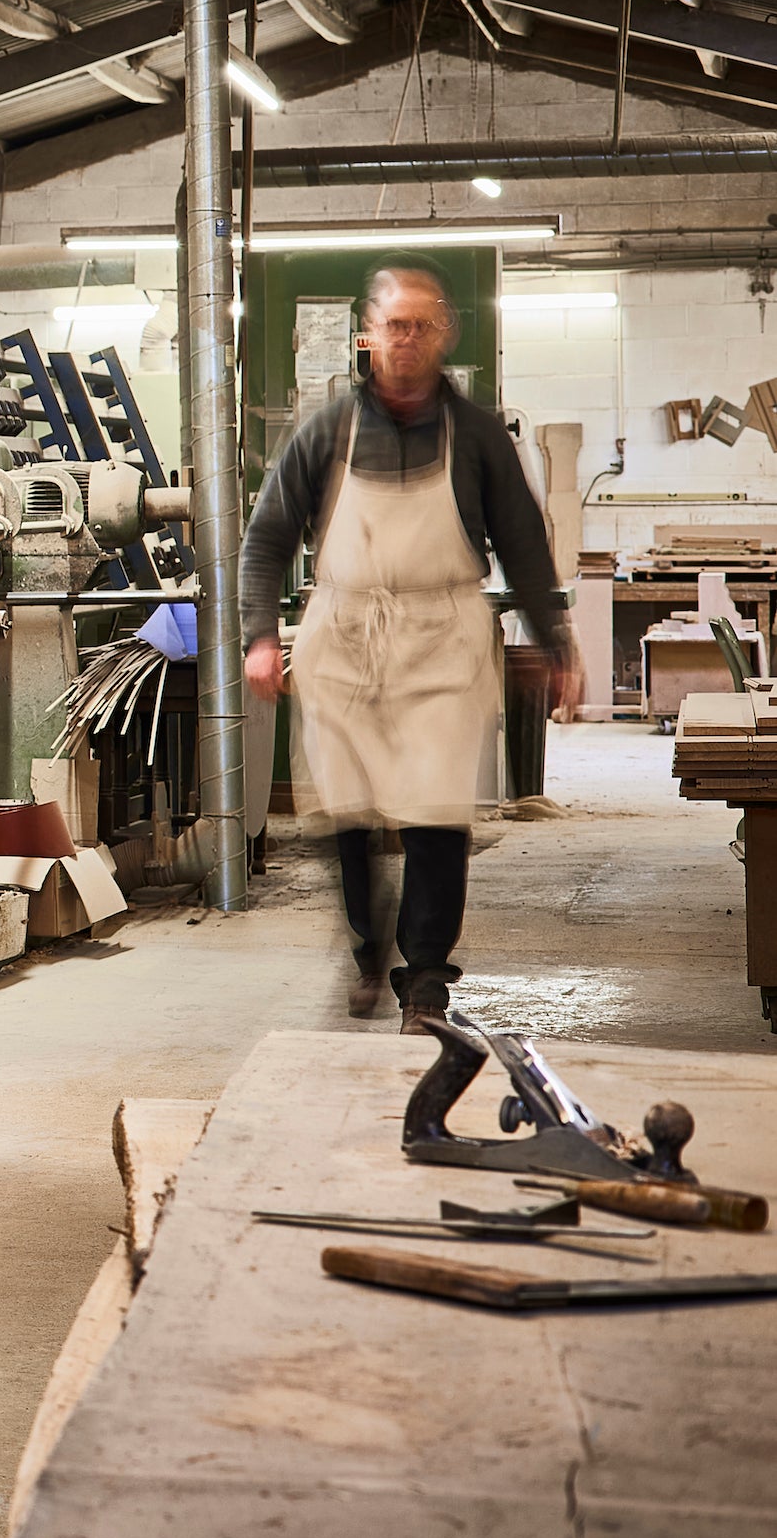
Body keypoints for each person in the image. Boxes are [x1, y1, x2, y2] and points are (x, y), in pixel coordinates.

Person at [239, 261, 578, 1029]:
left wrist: (553, 641)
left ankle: (424, 975)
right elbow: (265, 540)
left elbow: (523, 543)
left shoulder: (479, 436)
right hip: (345, 631)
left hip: (440, 636)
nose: (408, 339)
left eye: (422, 325)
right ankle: (367, 948)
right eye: (395, 325)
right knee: (344, 808)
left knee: (435, 809)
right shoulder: (324, 431)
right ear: (369, 334)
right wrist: (261, 635)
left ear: (442, 335)